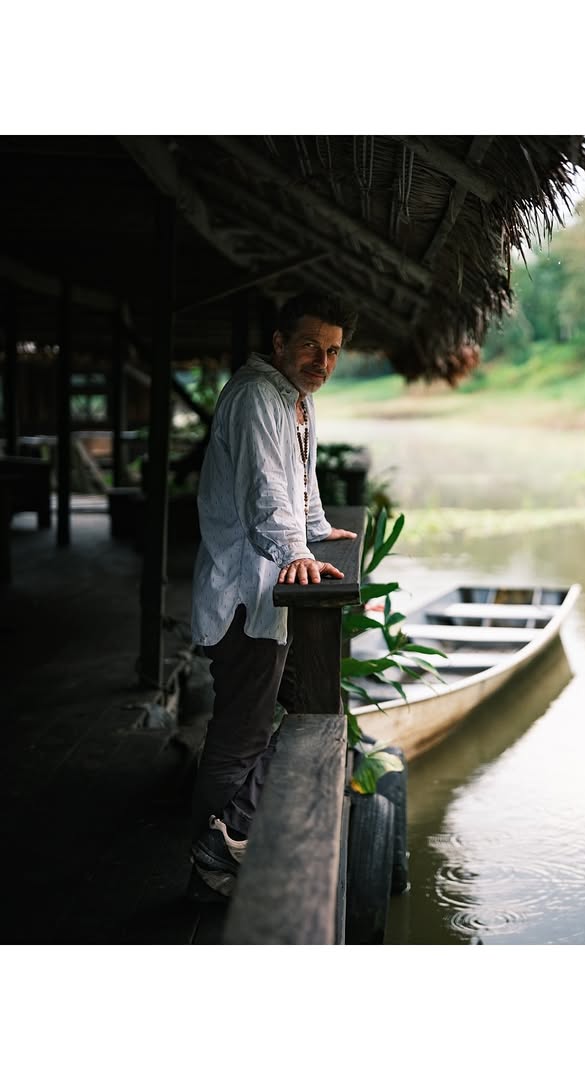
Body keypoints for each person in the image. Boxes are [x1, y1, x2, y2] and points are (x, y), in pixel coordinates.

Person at [187, 291, 358, 899]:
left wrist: (315, 529)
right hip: (243, 593)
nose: (322, 360)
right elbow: (265, 491)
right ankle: (213, 857)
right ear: (281, 342)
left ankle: (219, 849)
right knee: (242, 737)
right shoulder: (259, 394)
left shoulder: (297, 400)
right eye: (311, 344)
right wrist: (297, 552)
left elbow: (297, 483)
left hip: (264, 593)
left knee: (255, 728)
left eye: (333, 350)